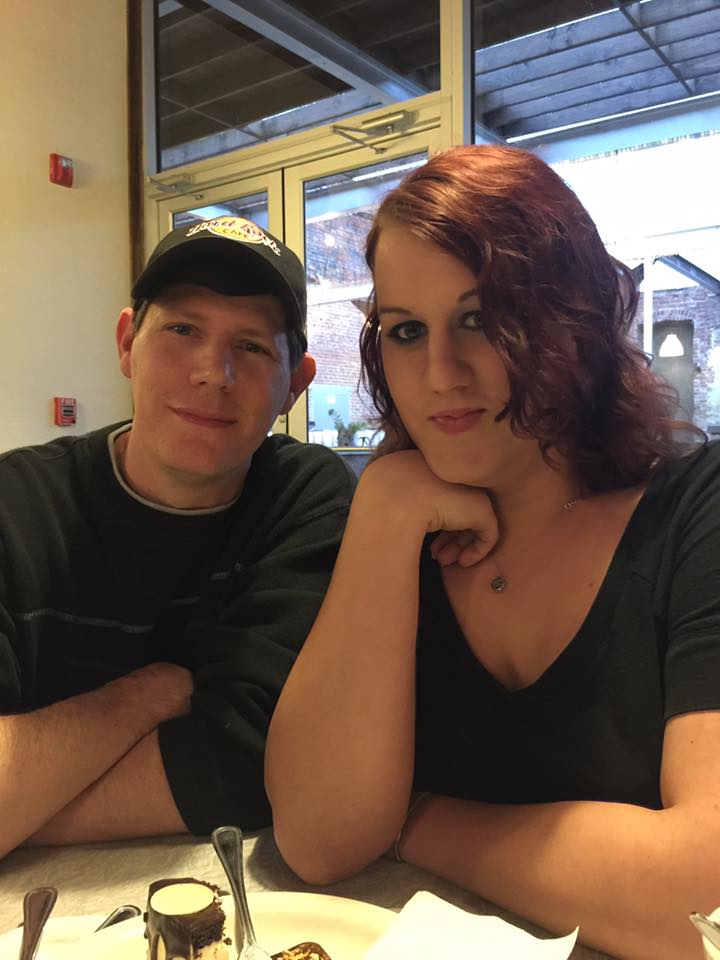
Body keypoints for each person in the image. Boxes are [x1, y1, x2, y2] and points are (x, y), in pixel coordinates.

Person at [265, 146, 720, 960]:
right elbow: (317, 839)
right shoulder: (395, 531)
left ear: (575, 316)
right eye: (407, 331)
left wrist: (417, 822)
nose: (441, 374)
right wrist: (384, 507)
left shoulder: (695, 513)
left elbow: (706, 902)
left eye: (479, 319)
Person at [0, 216, 355, 859]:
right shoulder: (15, 508)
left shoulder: (304, 501)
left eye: (252, 346)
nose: (213, 373)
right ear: (126, 343)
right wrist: (151, 694)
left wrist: (24, 803)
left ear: (295, 386)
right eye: (183, 330)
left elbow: (257, 762)